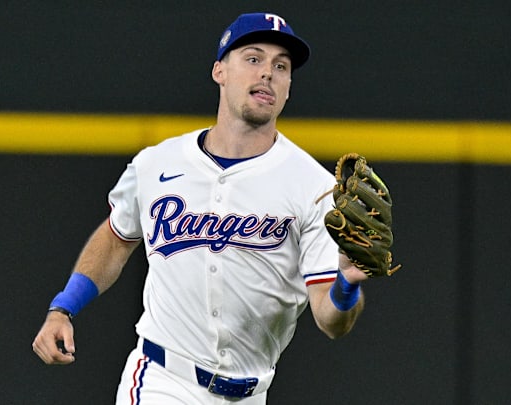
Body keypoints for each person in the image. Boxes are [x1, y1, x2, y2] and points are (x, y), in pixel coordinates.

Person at [32, 12, 371, 404]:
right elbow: (116, 237)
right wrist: (64, 307)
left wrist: (345, 285)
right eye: (254, 58)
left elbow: (331, 321)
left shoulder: (314, 188)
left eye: (281, 66)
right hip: (162, 379)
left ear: (289, 86)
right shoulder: (156, 164)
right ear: (219, 71)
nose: (268, 74)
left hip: (250, 392)